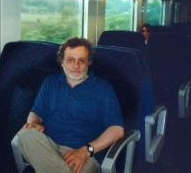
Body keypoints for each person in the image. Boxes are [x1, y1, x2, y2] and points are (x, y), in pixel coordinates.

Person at [16, 37, 124, 173]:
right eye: (71, 60)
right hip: (49, 147)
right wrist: (35, 122)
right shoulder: (50, 82)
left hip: (84, 155)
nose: (76, 66)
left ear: (88, 62)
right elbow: (36, 112)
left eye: (82, 60)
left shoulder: (103, 88)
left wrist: (86, 150)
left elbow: (117, 129)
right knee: (27, 135)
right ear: (62, 62)